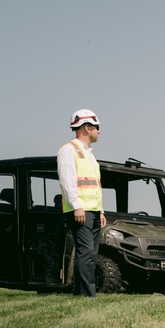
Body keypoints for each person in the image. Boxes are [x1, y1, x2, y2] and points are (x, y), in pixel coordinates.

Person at [57, 109, 106, 297]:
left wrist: (101, 211)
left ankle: (80, 294)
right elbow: (67, 182)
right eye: (97, 127)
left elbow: (95, 186)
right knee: (86, 253)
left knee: (90, 255)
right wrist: (77, 206)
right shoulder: (68, 150)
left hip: (93, 211)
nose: (99, 131)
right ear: (87, 128)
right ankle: (88, 296)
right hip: (80, 210)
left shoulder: (90, 155)